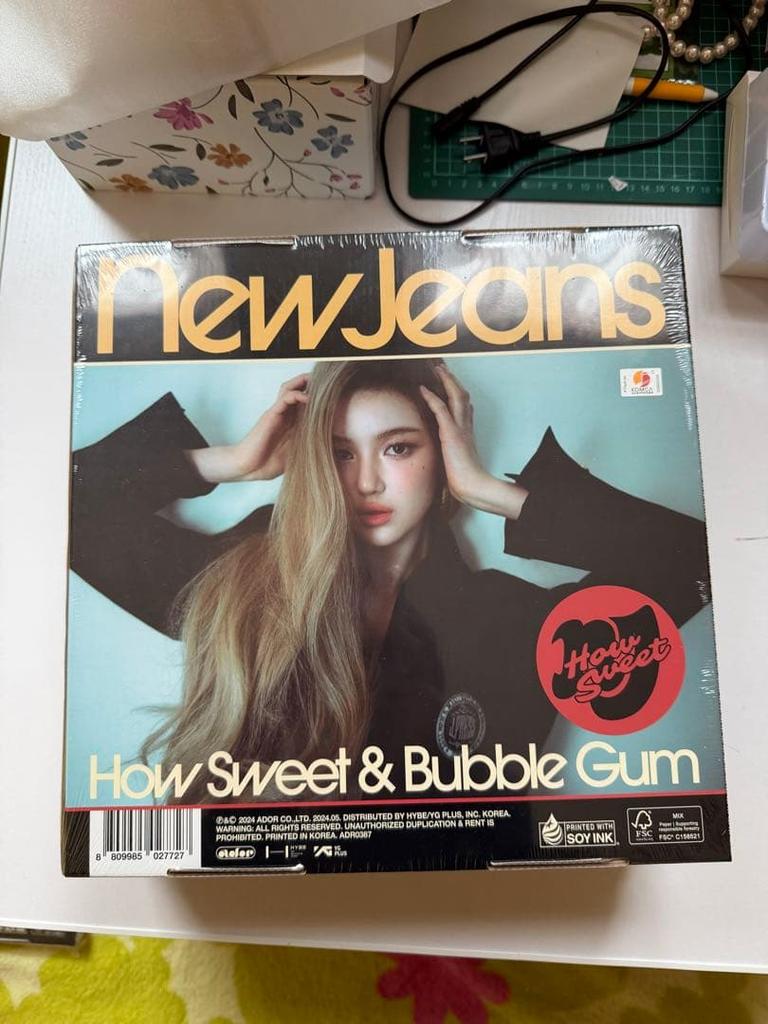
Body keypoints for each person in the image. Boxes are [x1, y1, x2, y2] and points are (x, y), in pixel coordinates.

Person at [70, 357, 710, 800]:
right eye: (339, 453)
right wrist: (234, 462)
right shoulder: (243, 583)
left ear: (443, 455)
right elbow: (67, 509)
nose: (366, 482)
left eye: (398, 448)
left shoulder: (511, 622)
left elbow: (691, 563)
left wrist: (486, 488)